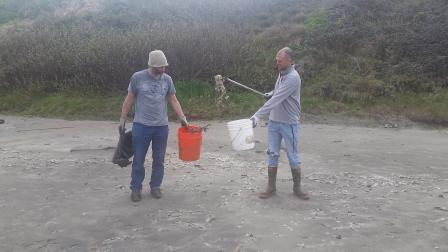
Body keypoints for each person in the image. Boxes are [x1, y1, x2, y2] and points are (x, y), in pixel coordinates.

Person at [119, 50, 188, 202]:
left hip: (161, 127)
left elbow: (173, 99)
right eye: (160, 67)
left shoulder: (167, 79)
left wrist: (182, 118)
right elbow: (129, 99)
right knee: (138, 159)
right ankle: (136, 188)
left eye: (164, 66)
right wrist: (122, 119)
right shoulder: (137, 78)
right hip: (141, 126)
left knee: (159, 159)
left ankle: (155, 186)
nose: (163, 69)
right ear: (151, 65)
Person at [250, 47, 309, 200]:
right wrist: (271, 93)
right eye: (276, 60)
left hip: (289, 123)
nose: (277, 63)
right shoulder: (281, 73)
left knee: (293, 155)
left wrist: (257, 116)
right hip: (274, 122)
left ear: (290, 61)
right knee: (272, 153)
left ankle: (297, 188)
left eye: (279, 61)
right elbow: (277, 93)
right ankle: (271, 187)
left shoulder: (293, 77)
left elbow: (277, 99)